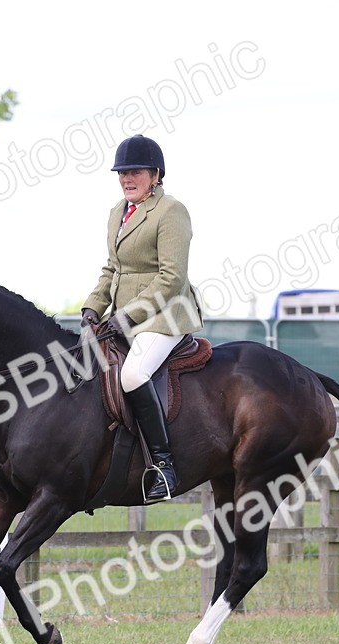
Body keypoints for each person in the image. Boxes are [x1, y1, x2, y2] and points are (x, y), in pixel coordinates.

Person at [80, 134, 203, 503]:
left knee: (133, 374)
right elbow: (112, 269)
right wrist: (92, 307)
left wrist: (127, 317)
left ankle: (164, 467)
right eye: (122, 173)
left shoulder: (171, 211)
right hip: (122, 315)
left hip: (164, 316)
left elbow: (172, 278)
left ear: (156, 174)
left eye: (134, 172)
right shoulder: (117, 212)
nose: (126, 179)